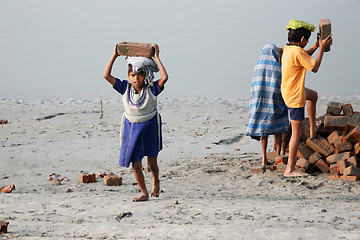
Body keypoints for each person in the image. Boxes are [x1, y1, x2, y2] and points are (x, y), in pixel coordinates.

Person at [103, 43, 168, 201]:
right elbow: (106, 75)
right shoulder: (124, 87)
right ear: (129, 77)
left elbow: (165, 77)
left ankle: (156, 181)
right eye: (132, 75)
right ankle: (144, 193)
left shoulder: (151, 89)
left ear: (145, 76)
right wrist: (115, 55)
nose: (136, 78)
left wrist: (157, 57)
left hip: (150, 127)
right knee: (136, 165)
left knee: (152, 164)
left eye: (139, 75)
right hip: (131, 128)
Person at [281, 19, 332, 177]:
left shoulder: (289, 50)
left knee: (313, 95)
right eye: (308, 40)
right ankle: (290, 169)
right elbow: (314, 68)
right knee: (296, 133)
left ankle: (312, 129)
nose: (308, 42)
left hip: (289, 90)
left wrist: (316, 46)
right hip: (295, 96)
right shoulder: (297, 52)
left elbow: (303, 56)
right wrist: (322, 49)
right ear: (302, 39)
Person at [246, 43, 290, 166]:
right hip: (274, 103)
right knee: (277, 130)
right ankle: (277, 157)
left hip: (260, 104)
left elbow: (254, 86)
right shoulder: (277, 67)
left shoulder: (258, 67)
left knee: (263, 133)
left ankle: (264, 158)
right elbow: (281, 85)